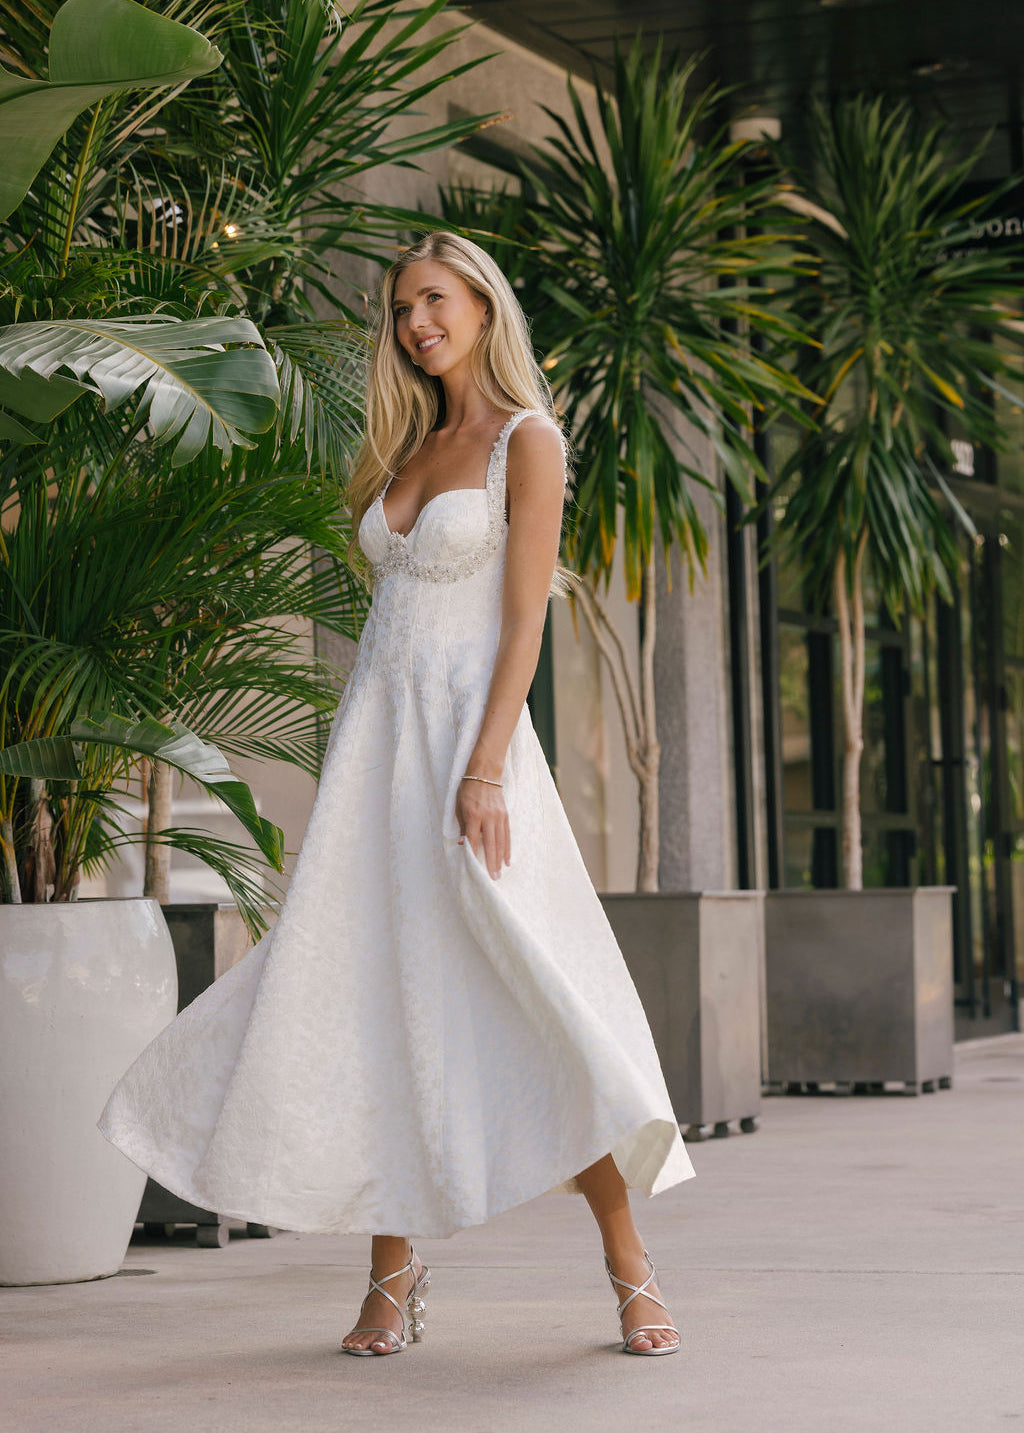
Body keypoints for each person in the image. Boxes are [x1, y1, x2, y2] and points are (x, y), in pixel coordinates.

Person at [97, 231, 696, 1361]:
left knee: (538, 995)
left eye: (434, 299)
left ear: (481, 301)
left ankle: (630, 1268)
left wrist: (481, 773)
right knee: (373, 995)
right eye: (401, 309)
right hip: (377, 759)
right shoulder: (405, 445)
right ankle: (391, 1275)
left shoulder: (530, 438)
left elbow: (522, 622)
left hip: (470, 756)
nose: (417, 323)